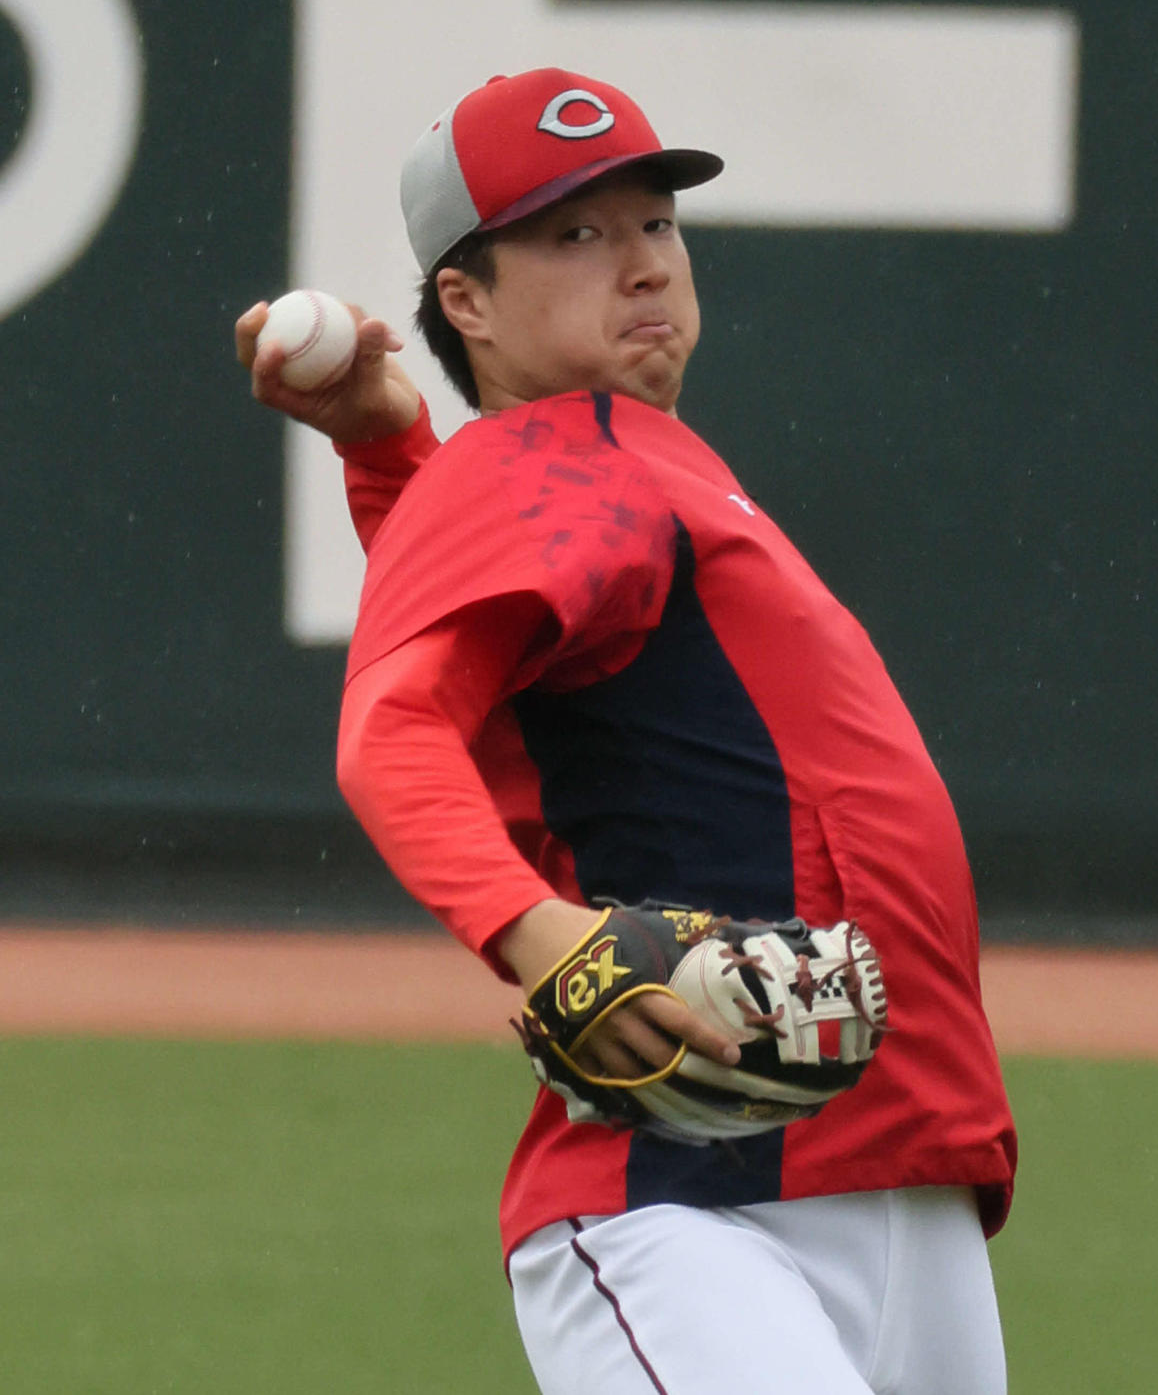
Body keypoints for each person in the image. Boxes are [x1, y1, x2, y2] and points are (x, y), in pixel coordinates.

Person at [236, 68, 1016, 1395]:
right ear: (466, 302)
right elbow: (394, 729)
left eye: (656, 221)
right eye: (576, 234)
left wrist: (392, 457)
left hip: (904, 1179)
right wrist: (543, 938)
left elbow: (524, 650)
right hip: (690, 1211)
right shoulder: (547, 460)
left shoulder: (617, 464)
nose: (644, 262)